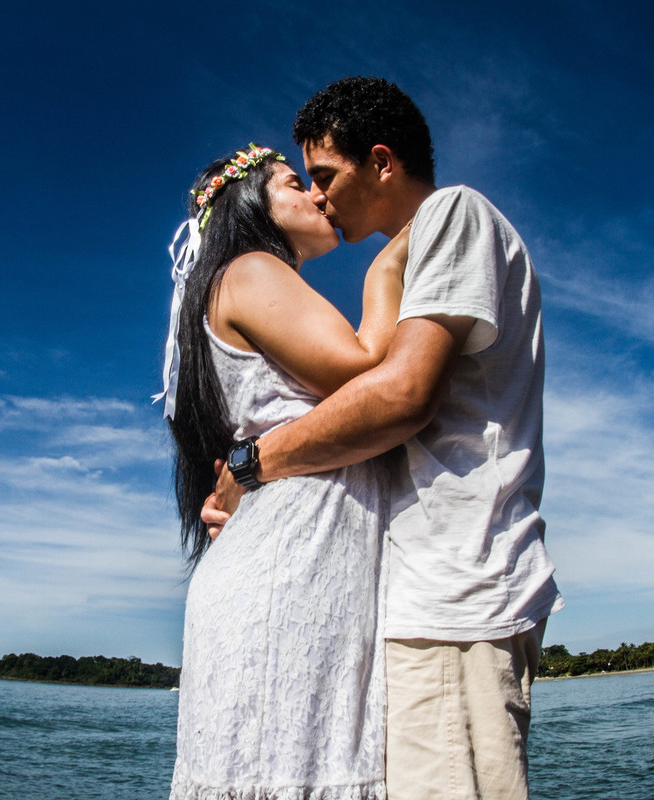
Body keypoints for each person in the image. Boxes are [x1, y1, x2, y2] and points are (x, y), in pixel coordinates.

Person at [202, 78, 565, 800]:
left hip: (455, 592)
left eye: (327, 176)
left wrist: (250, 466)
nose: (320, 196)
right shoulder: (408, 255)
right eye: (304, 183)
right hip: (418, 602)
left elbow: (400, 394)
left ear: (381, 160)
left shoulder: (452, 215)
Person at [157, 143, 408, 799]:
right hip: (288, 577)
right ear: (249, 203)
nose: (320, 195)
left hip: (288, 568)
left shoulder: (239, 283)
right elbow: (364, 367)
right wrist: (385, 274)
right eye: (296, 183)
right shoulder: (251, 270)